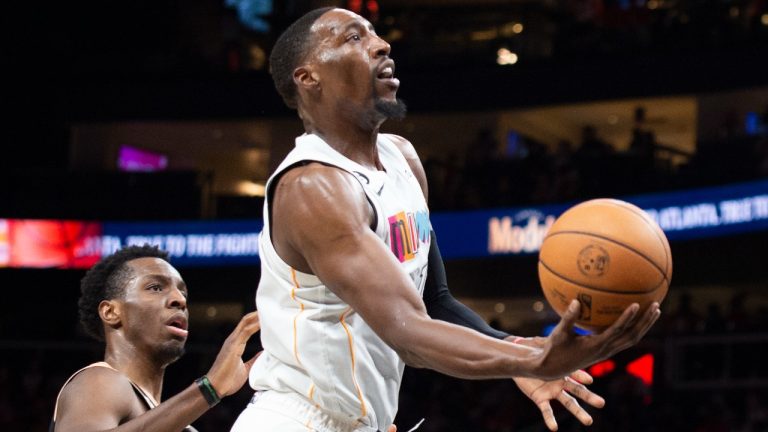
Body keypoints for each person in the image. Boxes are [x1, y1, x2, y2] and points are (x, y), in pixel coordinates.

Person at [231, 7, 662, 432]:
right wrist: (535, 359)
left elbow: (435, 301)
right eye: (353, 38)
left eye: (375, 34)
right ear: (308, 78)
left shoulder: (403, 160)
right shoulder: (311, 187)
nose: (382, 45)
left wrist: (515, 352)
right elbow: (409, 332)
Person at [50, 244, 261, 432]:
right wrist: (210, 387)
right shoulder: (100, 380)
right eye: (155, 288)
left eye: (183, 294)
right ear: (111, 312)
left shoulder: (177, 422)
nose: (179, 300)